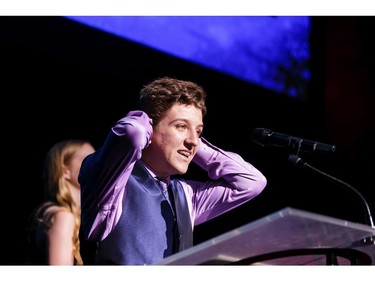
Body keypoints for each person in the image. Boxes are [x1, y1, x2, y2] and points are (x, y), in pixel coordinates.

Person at [79, 77, 267, 265]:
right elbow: (132, 133)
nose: (193, 140)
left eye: (199, 132)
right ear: (149, 129)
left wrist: (192, 141)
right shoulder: (111, 180)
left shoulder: (186, 195)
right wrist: (147, 120)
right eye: (181, 126)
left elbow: (252, 182)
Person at [27, 139, 95, 265]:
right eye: (88, 159)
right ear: (65, 172)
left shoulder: (62, 214)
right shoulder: (62, 217)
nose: (98, 164)